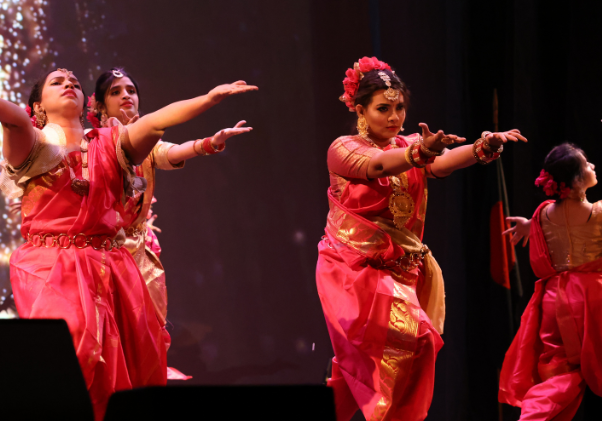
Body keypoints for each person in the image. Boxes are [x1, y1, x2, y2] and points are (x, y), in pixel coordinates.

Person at [0, 68, 256, 420]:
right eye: (57, 83)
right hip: (52, 268)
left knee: (131, 368)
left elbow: (155, 122)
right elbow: (11, 117)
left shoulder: (112, 140)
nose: (69, 85)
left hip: (113, 268)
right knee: (74, 349)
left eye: (74, 82)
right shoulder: (32, 142)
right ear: (38, 105)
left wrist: (209, 99)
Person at [317, 56, 527, 420]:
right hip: (353, 271)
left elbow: (442, 163)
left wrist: (482, 147)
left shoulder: (411, 144)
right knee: (413, 340)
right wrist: (420, 152)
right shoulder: (343, 149)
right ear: (360, 110)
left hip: (400, 271)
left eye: (399, 107)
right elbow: (379, 165)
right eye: (383, 108)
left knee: (358, 369)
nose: (394, 116)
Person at [500, 143, 602, 421]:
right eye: (586, 165)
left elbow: (542, 226)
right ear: (574, 182)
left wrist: (527, 225)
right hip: (596, 300)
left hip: (555, 302)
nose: (593, 166)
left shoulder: (543, 214)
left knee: (557, 373)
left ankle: (533, 417)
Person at [88, 67, 251, 331]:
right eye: (115, 92)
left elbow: (172, 152)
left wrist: (213, 141)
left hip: (140, 251)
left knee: (146, 331)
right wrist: (209, 98)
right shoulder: (92, 144)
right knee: (111, 333)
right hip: (103, 253)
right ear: (99, 105)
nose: (126, 96)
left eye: (131, 90)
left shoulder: (145, 143)